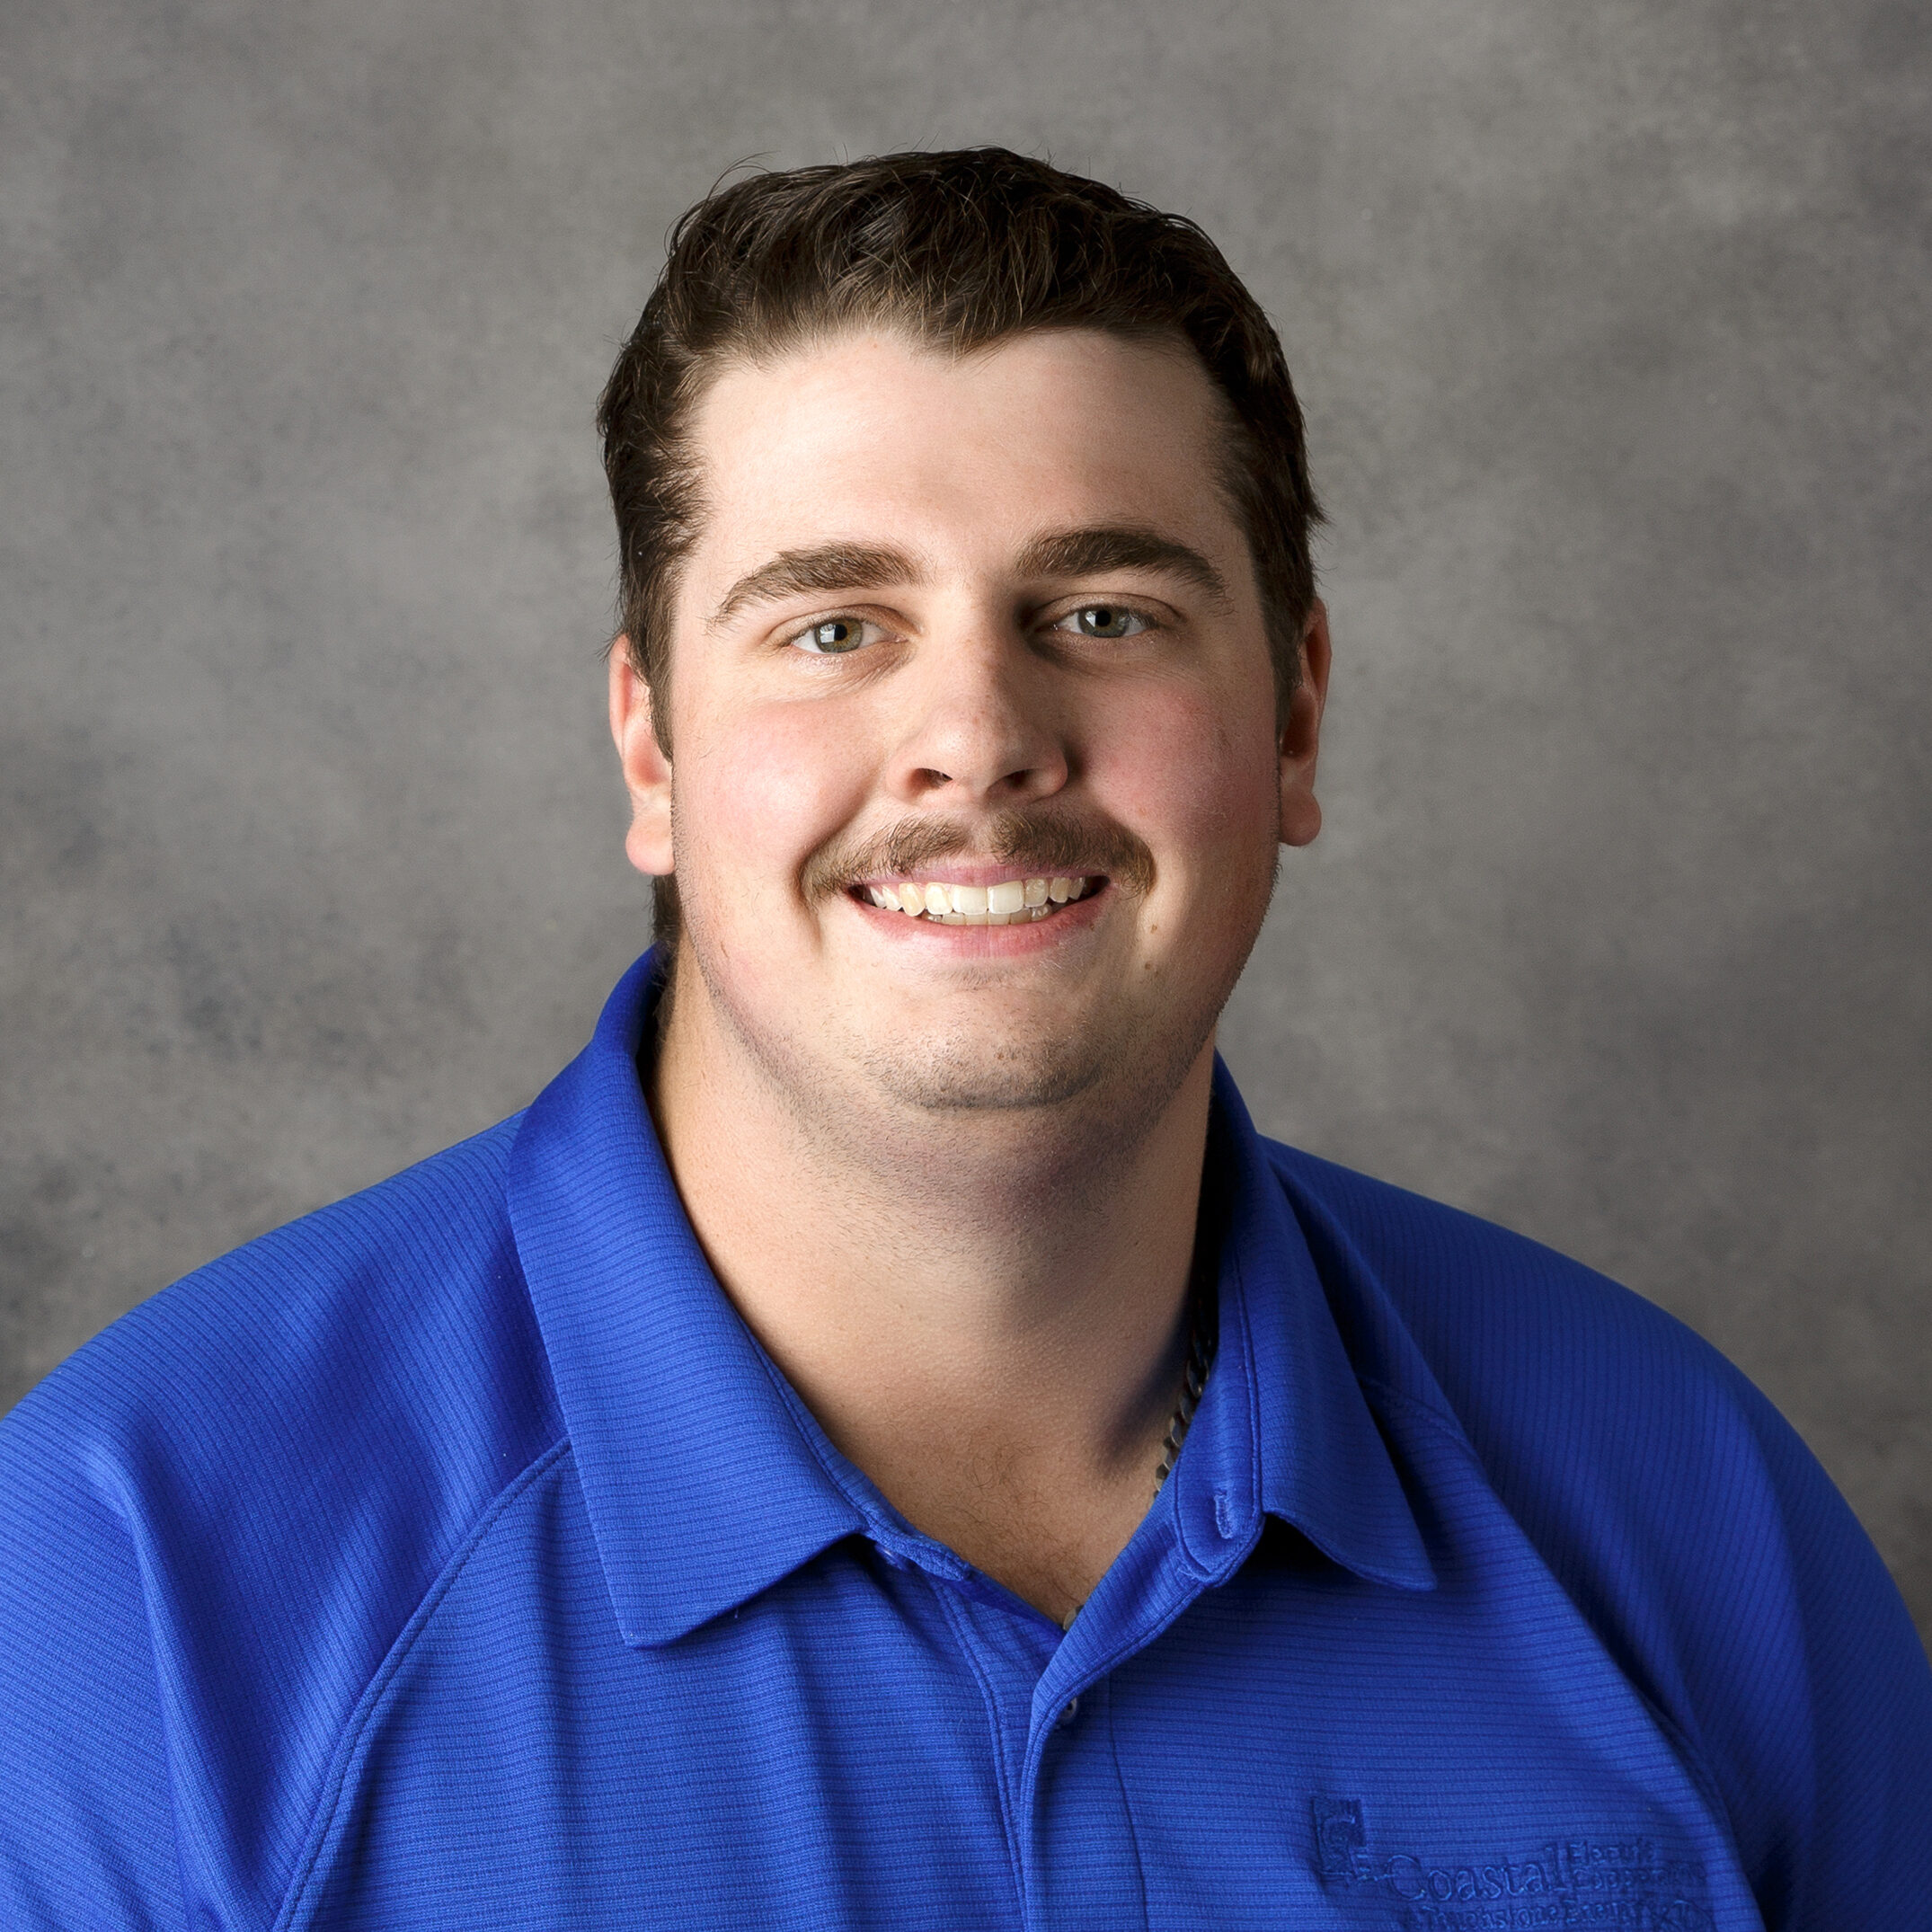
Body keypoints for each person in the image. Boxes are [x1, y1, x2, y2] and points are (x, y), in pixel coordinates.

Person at [1, 148, 1926, 1931]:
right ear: (652, 747)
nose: (978, 735)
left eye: (1100, 610)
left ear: (1298, 721)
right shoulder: (136, 1583)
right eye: (833, 627)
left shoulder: (1676, 1501)